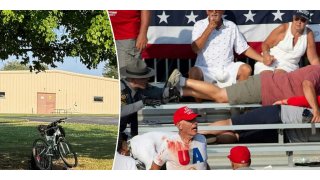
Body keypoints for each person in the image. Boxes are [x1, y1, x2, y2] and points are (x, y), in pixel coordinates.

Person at [166, 65, 320, 122]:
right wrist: (316, 110)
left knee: (221, 98)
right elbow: (307, 85)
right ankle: (182, 80)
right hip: (264, 86)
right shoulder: (317, 70)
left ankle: (178, 90)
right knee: (221, 96)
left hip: (266, 89)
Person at [190, 10, 264, 92]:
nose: (214, 12)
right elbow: (195, 48)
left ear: (223, 11)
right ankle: (199, 104)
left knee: (246, 69)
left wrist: (263, 59)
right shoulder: (199, 25)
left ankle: (238, 99)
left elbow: (243, 48)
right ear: (207, 11)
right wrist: (209, 28)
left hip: (227, 68)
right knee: (194, 72)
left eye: (217, 9)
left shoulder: (231, 25)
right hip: (206, 69)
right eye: (211, 9)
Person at [200, 105, 320, 144]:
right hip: (281, 117)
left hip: (286, 132)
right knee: (233, 127)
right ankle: (201, 136)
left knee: (234, 130)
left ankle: (202, 137)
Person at [255, 10, 319, 74]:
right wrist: (266, 55)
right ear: (293, 18)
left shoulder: (308, 34)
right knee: (266, 76)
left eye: (303, 20)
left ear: (306, 22)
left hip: (289, 65)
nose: (299, 22)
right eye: (297, 18)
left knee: (280, 77)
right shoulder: (284, 28)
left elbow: (313, 59)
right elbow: (266, 44)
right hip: (271, 59)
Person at [120, 59, 163, 137]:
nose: (148, 79)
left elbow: (157, 92)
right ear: (133, 79)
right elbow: (121, 111)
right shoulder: (120, 89)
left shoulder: (137, 89)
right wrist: (143, 102)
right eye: (144, 78)